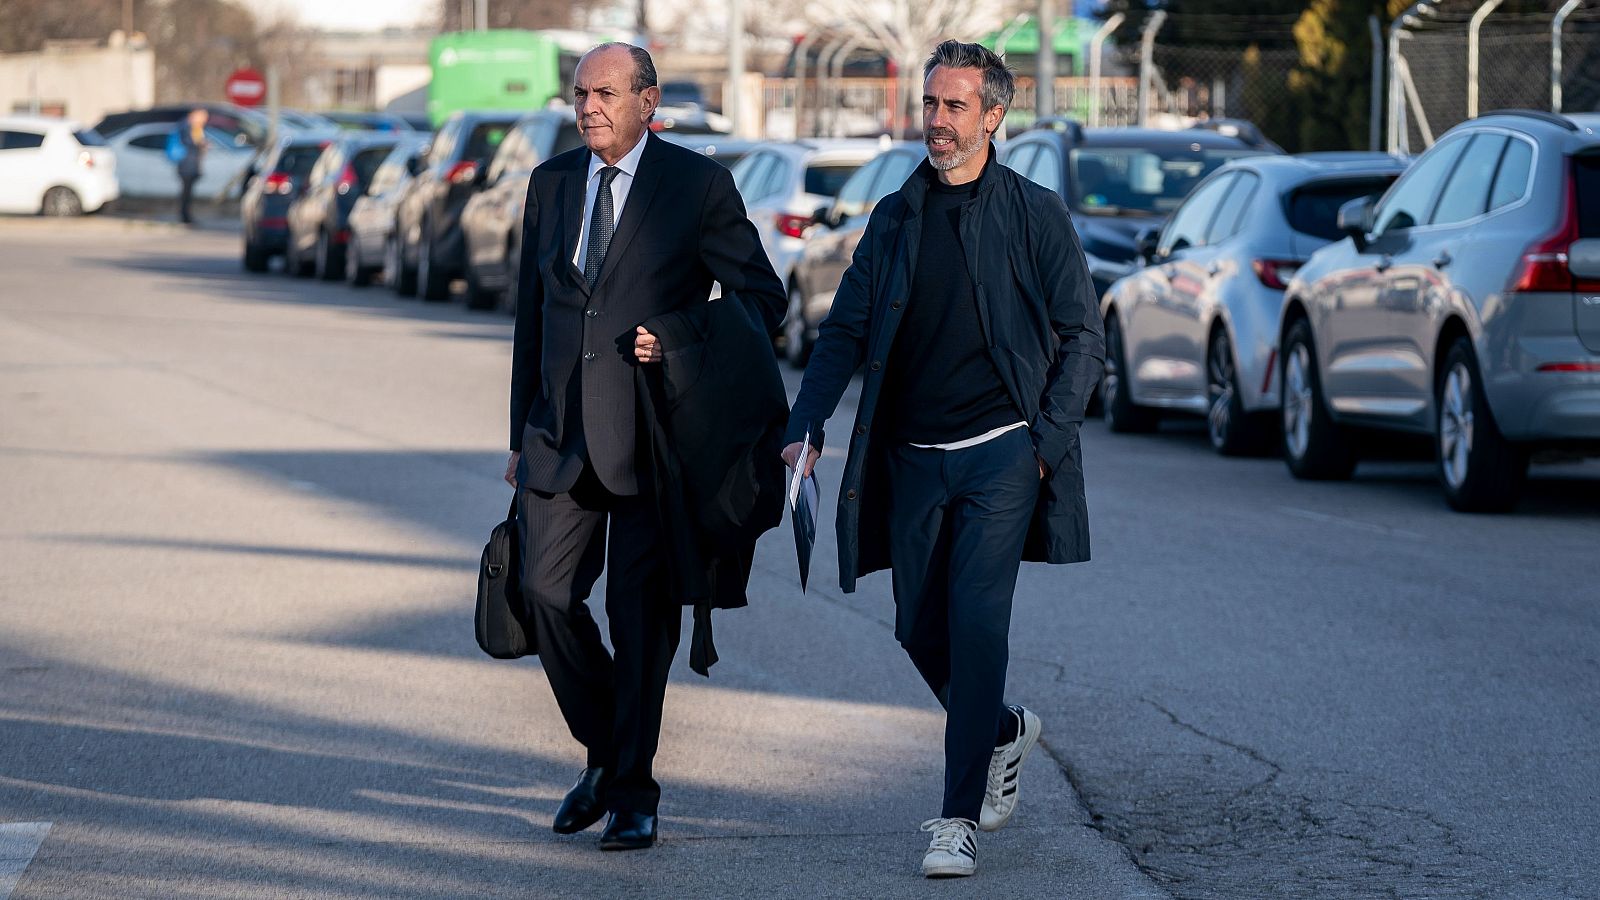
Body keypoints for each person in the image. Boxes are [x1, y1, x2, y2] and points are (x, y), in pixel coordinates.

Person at [781, 40, 1104, 878]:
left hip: (1003, 456)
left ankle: (956, 817)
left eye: (954, 106)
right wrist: (806, 423)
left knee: (975, 623)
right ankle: (999, 730)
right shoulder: (896, 217)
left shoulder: (1035, 215)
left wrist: (1042, 448)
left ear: (993, 117)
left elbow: (1084, 338)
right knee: (915, 624)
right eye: (930, 103)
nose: (936, 120)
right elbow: (846, 328)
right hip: (913, 458)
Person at [504, 42, 784, 852]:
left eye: (604, 93)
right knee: (545, 596)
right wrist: (518, 433)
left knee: (641, 622)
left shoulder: (697, 185)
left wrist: (679, 335)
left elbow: (762, 302)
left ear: (648, 103)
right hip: (558, 438)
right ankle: (607, 751)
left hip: (656, 441)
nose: (587, 106)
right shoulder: (551, 182)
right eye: (580, 93)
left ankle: (633, 791)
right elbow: (533, 315)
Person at [174, 109, 207, 225]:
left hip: (191, 164)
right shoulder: (188, 127)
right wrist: (202, 144)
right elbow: (191, 143)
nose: (204, 121)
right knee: (186, 192)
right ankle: (184, 216)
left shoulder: (194, 128)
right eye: (202, 118)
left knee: (188, 192)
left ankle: (187, 215)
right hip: (187, 165)